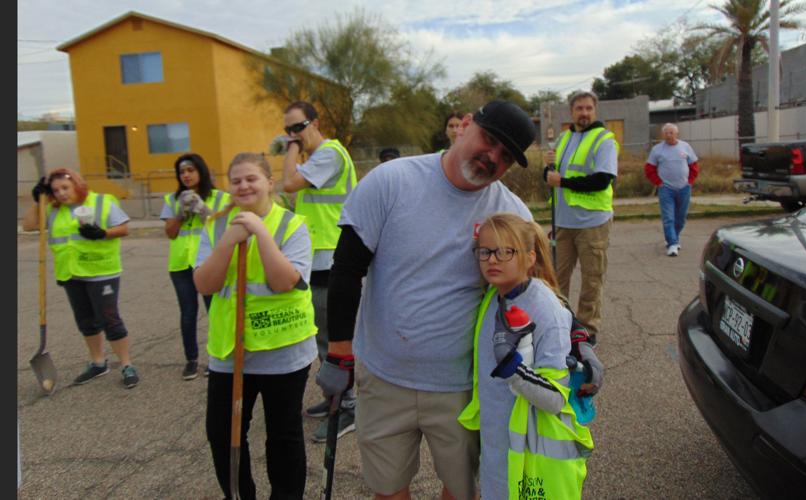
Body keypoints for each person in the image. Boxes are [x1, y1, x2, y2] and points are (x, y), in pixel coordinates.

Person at [316, 100, 603, 500]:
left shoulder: (510, 213)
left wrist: (577, 338)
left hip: (463, 388)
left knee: (462, 489)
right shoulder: (391, 181)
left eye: (505, 157)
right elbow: (346, 268)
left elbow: (541, 286)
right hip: (384, 377)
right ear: (465, 125)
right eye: (489, 140)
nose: (492, 158)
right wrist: (339, 354)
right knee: (388, 487)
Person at [194, 152, 316, 500]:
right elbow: (205, 284)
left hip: (283, 350)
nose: (244, 185)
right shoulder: (216, 226)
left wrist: (260, 232)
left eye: (252, 178)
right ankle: (238, 494)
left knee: (283, 434)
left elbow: (283, 281)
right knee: (223, 433)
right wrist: (229, 242)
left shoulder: (293, 225)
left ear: (269, 183)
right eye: (236, 181)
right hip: (231, 352)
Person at [459, 213, 593, 499]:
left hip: (531, 454)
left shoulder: (546, 310)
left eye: (507, 251)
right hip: (498, 446)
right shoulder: (494, 296)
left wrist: (513, 367)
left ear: (530, 257)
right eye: (486, 251)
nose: (493, 260)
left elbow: (555, 398)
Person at [280, 100, 358, 442]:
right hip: (317, 257)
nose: (293, 136)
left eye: (298, 128)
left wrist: (289, 150)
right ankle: (333, 398)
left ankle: (347, 406)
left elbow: (289, 184)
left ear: (315, 123)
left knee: (332, 338)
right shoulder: (317, 159)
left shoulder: (329, 154)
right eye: (288, 131)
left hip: (330, 258)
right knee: (322, 336)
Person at [22, 168, 139, 389]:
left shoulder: (101, 202)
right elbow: (28, 226)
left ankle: (126, 364)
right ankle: (98, 362)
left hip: (101, 272)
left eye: (65, 188)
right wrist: (38, 200)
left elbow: (123, 228)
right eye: (56, 190)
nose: (62, 193)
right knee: (85, 321)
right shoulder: (54, 210)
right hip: (71, 273)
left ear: (77, 184)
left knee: (110, 320)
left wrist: (102, 233)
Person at [544, 90, 619, 340]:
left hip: (592, 223)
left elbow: (602, 180)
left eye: (588, 108)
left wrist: (562, 181)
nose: (584, 113)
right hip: (564, 222)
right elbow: (552, 177)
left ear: (595, 110)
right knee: (556, 278)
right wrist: (547, 170)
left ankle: (587, 330)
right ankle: (559, 324)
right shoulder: (564, 138)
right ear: (571, 112)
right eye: (579, 109)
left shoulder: (604, 140)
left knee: (591, 280)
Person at [160, 153, 230, 380]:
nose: (186, 175)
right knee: (188, 312)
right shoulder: (172, 199)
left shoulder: (219, 198)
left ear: (201, 170)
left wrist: (202, 210)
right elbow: (170, 233)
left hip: (210, 261)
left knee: (215, 310)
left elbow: (221, 227)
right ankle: (191, 360)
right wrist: (180, 213)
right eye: (182, 172)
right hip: (180, 263)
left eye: (191, 170)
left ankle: (216, 357)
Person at [644, 123, 699, 257]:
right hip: (666, 189)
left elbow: (694, 165)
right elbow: (649, 169)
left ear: (676, 134)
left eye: (671, 133)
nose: (669, 135)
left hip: (684, 188)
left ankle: (674, 237)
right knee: (668, 218)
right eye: (666, 133)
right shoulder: (657, 150)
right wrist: (659, 183)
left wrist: (690, 181)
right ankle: (672, 244)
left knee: (681, 218)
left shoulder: (685, 147)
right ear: (663, 135)